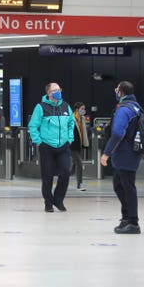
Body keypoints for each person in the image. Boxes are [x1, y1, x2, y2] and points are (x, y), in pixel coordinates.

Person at [100, 81, 142, 234]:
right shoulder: (136, 106)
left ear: (121, 92)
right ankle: (126, 218)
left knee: (128, 188)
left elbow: (118, 132)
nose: (115, 92)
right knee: (119, 185)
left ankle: (133, 222)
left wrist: (106, 153)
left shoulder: (124, 109)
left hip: (125, 154)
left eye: (116, 89)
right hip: (130, 153)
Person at [28, 82, 74, 212]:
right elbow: (33, 126)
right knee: (47, 175)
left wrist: (70, 139)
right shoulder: (41, 107)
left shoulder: (65, 106)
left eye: (59, 89)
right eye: (55, 90)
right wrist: (39, 142)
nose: (58, 92)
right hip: (47, 146)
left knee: (65, 172)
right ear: (49, 93)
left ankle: (58, 200)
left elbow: (71, 123)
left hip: (63, 146)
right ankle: (48, 202)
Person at [70, 102, 89, 191]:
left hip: (79, 145)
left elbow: (83, 133)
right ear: (77, 109)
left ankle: (61, 177)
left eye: (84, 109)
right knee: (80, 164)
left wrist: (85, 144)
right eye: (82, 108)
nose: (84, 110)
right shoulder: (71, 118)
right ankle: (79, 184)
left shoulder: (82, 118)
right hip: (72, 146)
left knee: (73, 168)